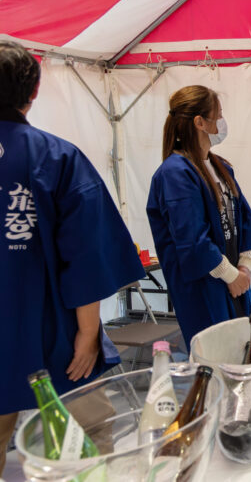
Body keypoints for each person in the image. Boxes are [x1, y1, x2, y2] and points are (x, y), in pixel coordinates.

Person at [0, 41, 145, 474]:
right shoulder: (56, 157)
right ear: (34, 91)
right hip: (53, 334)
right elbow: (87, 254)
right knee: (88, 438)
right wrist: (87, 332)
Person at [147, 86, 251, 348]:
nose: (222, 123)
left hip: (236, 282)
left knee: (242, 355)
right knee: (216, 363)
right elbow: (192, 240)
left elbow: (244, 219)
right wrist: (230, 275)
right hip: (206, 289)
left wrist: (245, 267)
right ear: (199, 122)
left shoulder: (220, 166)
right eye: (218, 115)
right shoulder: (175, 173)